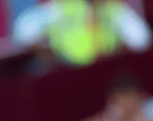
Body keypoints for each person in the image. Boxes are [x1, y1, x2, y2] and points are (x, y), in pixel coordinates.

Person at [13, 0, 151, 69]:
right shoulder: (64, 7)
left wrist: (113, 53)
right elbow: (22, 32)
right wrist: (49, 55)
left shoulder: (113, 8)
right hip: (64, 65)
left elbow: (142, 41)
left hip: (105, 69)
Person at [72, 72, 153, 121]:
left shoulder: (149, 107)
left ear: (139, 96)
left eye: (128, 97)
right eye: (121, 98)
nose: (126, 103)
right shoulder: (114, 112)